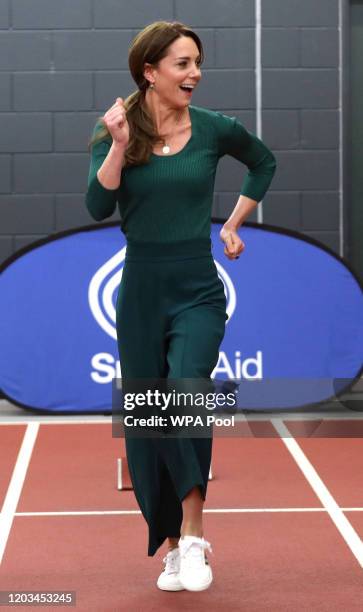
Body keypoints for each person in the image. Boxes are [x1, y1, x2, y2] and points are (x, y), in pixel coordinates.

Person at [85, 20, 276, 593]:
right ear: (150, 72)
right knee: (148, 421)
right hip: (141, 293)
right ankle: (171, 547)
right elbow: (98, 205)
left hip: (197, 288)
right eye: (182, 64)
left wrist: (235, 223)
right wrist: (118, 146)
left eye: (197, 62)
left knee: (185, 388)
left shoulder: (216, 128)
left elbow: (263, 161)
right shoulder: (115, 130)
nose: (195, 73)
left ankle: (194, 536)